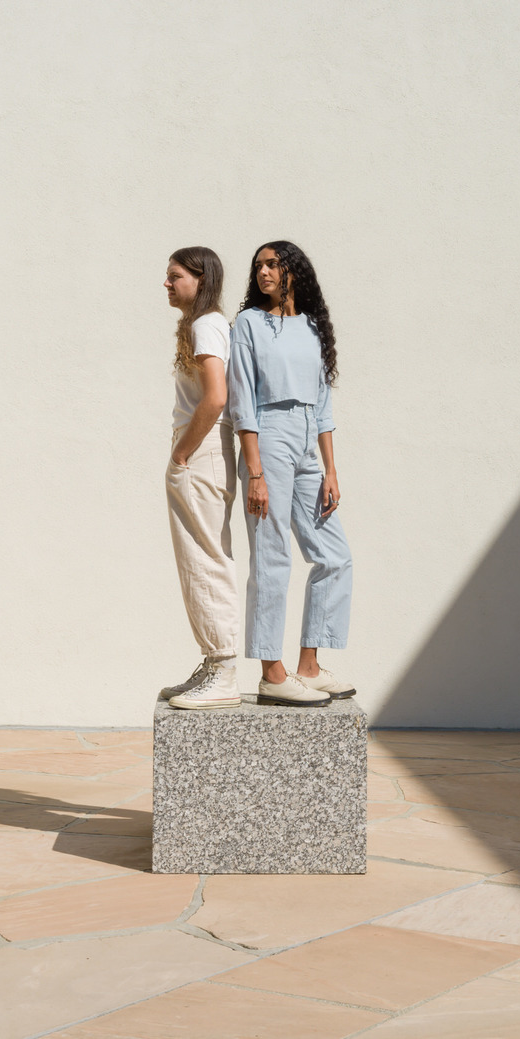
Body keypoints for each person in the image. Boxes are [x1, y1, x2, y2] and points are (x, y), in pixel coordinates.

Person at [228, 241, 354, 706]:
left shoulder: (312, 327)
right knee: (272, 555)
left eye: (272, 264)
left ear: (292, 272)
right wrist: (255, 472)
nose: (263, 272)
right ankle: (272, 672)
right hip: (269, 433)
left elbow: (322, 404)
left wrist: (331, 470)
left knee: (334, 556)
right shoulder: (248, 324)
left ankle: (309, 666)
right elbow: (241, 400)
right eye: (258, 266)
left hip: (307, 442)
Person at [158, 247, 244, 709]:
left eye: (174, 277)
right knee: (200, 556)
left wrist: (181, 454)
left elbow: (214, 398)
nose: (166, 284)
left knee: (207, 557)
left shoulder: (206, 325)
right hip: (204, 451)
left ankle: (224, 669)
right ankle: (215, 663)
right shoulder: (205, 324)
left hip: (201, 451)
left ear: (199, 277)